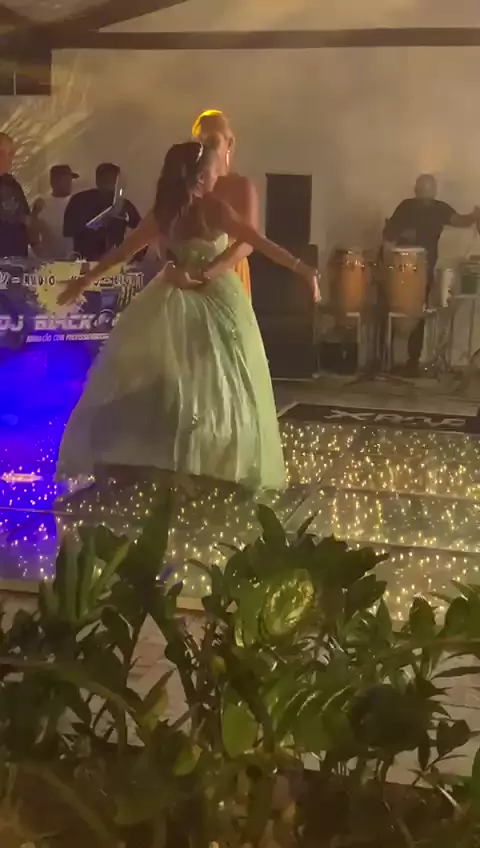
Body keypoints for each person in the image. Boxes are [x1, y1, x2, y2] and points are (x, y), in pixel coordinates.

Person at [55, 138, 320, 492]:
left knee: (201, 380)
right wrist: (84, 280)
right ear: (200, 176)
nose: (217, 175)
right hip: (188, 300)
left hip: (197, 298)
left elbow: (255, 242)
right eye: (213, 169)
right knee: (191, 381)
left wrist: (304, 269)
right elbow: (124, 252)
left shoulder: (187, 212)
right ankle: (181, 461)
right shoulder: (192, 211)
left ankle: (193, 460)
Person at [383, 174, 480, 375]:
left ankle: (412, 361)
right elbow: (389, 232)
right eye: (423, 193)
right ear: (416, 191)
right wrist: (401, 236)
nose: (426, 198)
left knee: (419, 314)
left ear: (433, 192)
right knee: (397, 310)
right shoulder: (406, 207)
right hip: (402, 269)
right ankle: (389, 359)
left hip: (425, 268)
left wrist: (474, 216)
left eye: (429, 193)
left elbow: (459, 220)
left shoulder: (439, 208)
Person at [190, 109, 257, 299]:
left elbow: (248, 242)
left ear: (230, 144)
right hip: (191, 278)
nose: (205, 149)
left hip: (230, 277)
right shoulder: (187, 187)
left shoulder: (240, 186)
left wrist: (211, 271)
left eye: (212, 142)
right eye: (199, 142)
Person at [63, 162, 141, 260]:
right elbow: (68, 233)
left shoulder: (123, 204)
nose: (118, 185)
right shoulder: (78, 201)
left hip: (107, 261)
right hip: (89, 261)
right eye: (113, 180)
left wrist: (135, 256)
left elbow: (141, 230)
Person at [0, 132, 37, 258]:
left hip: (17, 256)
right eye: (9, 153)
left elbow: (25, 216)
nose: (12, 158)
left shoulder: (12, 183)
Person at [32, 164, 79, 258]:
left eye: (70, 180)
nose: (69, 183)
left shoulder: (77, 201)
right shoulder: (41, 203)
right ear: (53, 182)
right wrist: (38, 251)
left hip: (73, 258)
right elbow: (32, 230)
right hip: (49, 259)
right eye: (65, 180)